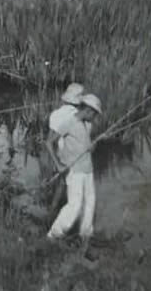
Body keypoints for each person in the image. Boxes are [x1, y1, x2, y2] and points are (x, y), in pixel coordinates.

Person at [46, 93, 103, 241]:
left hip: (88, 169)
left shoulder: (88, 124)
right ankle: (54, 234)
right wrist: (58, 164)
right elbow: (49, 143)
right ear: (88, 110)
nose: (95, 118)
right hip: (74, 170)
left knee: (90, 202)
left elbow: (86, 145)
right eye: (95, 114)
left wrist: (92, 146)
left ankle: (85, 235)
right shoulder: (69, 122)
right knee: (75, 205)